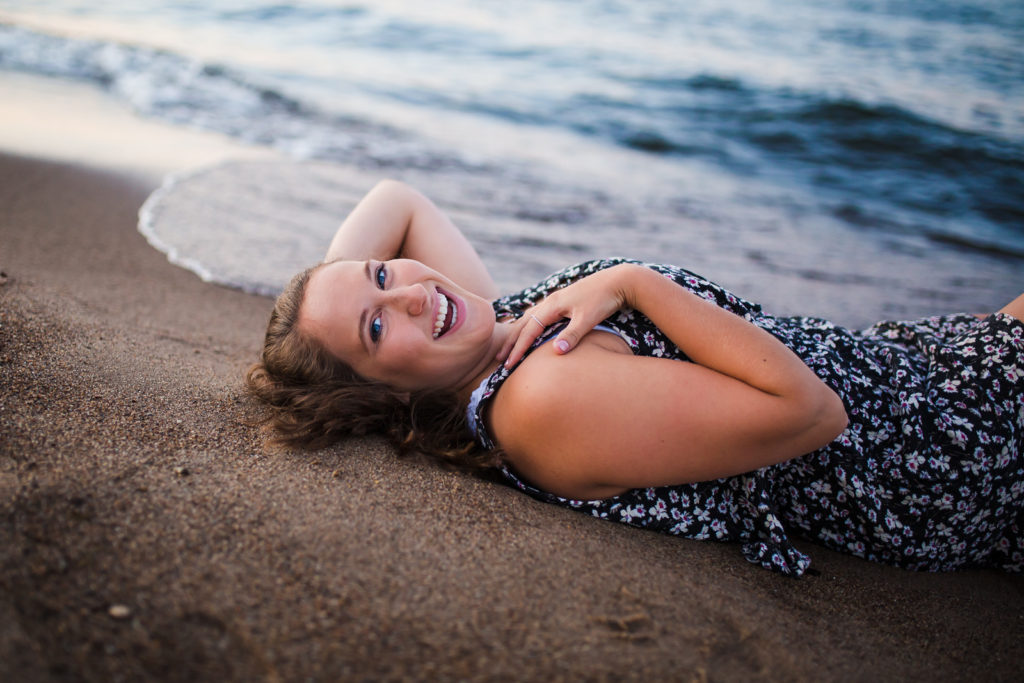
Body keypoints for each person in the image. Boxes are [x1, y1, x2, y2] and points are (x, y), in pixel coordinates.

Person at [247, 179, 1024, 576]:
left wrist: (332, 310)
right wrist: (631, 281)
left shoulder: (485, 332)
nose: (413, 293)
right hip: (932, 453)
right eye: (379, 326)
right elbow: (812, 413)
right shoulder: (541, 397)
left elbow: (396, 200)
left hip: (906, 371)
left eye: (384, 273)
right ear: (386, 395)